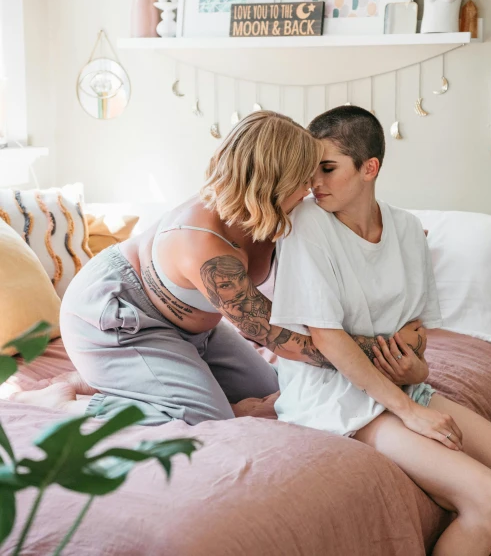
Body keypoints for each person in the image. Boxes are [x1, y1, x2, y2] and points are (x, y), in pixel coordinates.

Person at [15, 111, 424, 425]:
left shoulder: (280, 213)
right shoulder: (205, 248)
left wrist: (397, 242)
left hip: (199, 327)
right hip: (118, 317)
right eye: (304, 178)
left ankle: (119, 380)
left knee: (282, 394)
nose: (312, 188)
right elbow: (280, 339)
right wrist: (385, 348)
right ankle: (75, 399)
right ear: (274, 183)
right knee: (212, 418)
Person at [270, 105, 491, 556]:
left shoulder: (406, 229)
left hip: (399, 387)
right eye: (312, 171)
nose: (315, 183)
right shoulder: (306, 225)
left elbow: (416, 329)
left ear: (370, 168)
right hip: (336, 399)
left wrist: (415, 367)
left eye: (328, 169)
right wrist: (408, 409)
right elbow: (327, 336)